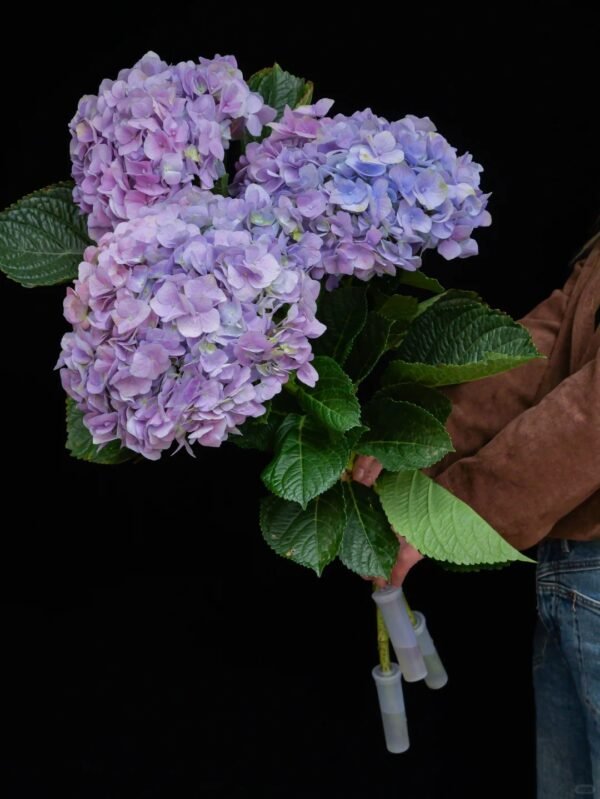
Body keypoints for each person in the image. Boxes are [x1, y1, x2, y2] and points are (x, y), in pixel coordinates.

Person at [353, 227, 600, 798]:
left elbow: (589, 417)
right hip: (575, 578)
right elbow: (540, 351)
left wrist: (450, 512)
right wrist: (407, 444)